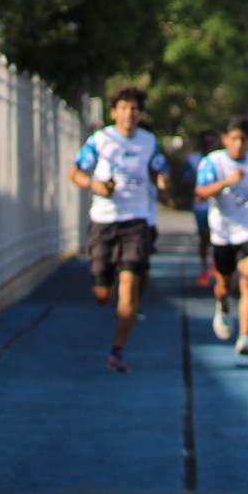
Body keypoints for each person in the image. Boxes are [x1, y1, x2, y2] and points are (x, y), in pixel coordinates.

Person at [69, 87, 170, 373]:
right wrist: (95, 185)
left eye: (135, 109)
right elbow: (74, 172)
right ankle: (106, 279)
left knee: (129, 289)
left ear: (141, 113)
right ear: (114, 112)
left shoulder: (149, 142)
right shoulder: (100, 141)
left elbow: (159, 170)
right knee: (103, 294)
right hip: (103, 221)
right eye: (124, 108)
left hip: (136, 221)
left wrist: (162, 182)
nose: (130, 114)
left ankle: (117, 350)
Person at [195, 117, 248, 355]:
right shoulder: (213, 162)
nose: (238, 144)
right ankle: (223, 306)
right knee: (225, 285)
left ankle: (245, 337)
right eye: (233, 139)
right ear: (225, 139)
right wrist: (226, 181)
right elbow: (201, 193)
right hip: (223, 233)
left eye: (243, 139)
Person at [185, 129, 219, 289]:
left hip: (218, 206)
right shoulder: (193, 160)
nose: (208, 146)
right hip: (201, 206)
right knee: (204, 237)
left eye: (211, 143)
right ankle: (205, 266)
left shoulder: (220, 159)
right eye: (205, 143)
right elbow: (184, 179)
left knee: (217, 237)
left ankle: (217, 265)